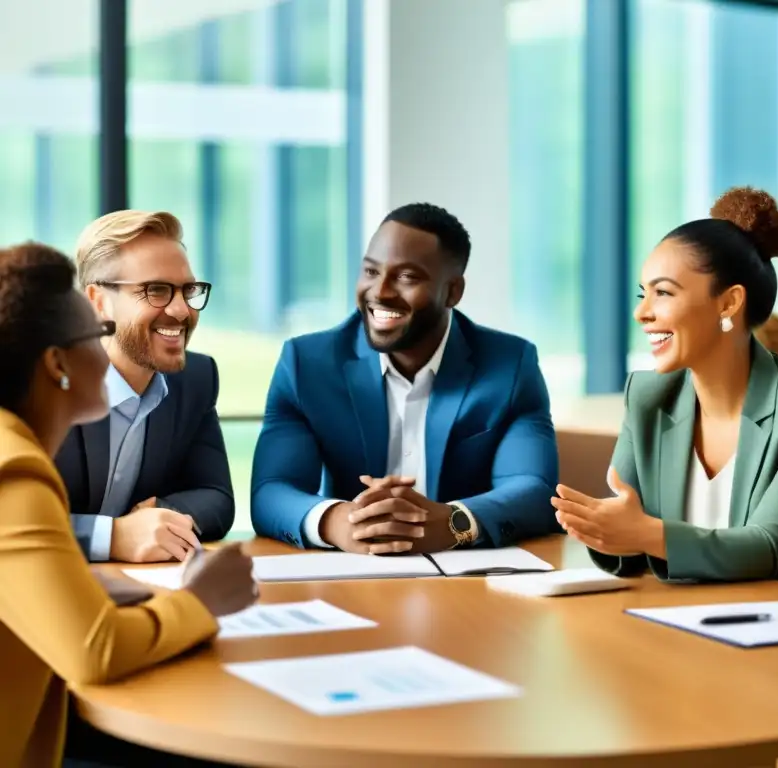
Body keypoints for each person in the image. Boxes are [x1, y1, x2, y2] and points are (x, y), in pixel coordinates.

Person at [0, 242, 257, 768]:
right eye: (97, 335)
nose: (109, 352)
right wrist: (201, 602)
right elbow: (94, 653)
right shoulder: (17, 472)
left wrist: (87, 586)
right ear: (58, 365)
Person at [552, 187, 778, 585]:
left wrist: (643, 533)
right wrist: (607, 531)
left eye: (662, 293)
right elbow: (630, 542)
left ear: (729, 303)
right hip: (678, 619)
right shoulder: (647, 396)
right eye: (644, 294)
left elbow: (770, 547)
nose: (642, 312)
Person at [252, 202, 559, 553]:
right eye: (371, 272)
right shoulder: (308, 364)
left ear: (453, 291)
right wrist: (338, 521)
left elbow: (533, 488)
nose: (380, 292)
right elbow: (271, 490)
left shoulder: (510, 366)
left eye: (407, 277)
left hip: (466, 579)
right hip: (350, 575)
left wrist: (452, 522)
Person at [54, 210, 234, 564]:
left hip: (136, 587)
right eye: (157, 291)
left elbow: (216, 497)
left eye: (187, 290)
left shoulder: (195, 378)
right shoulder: (40, 382)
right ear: (98, 301)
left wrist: (161, 515)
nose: (182, 310)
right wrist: (113, 537)